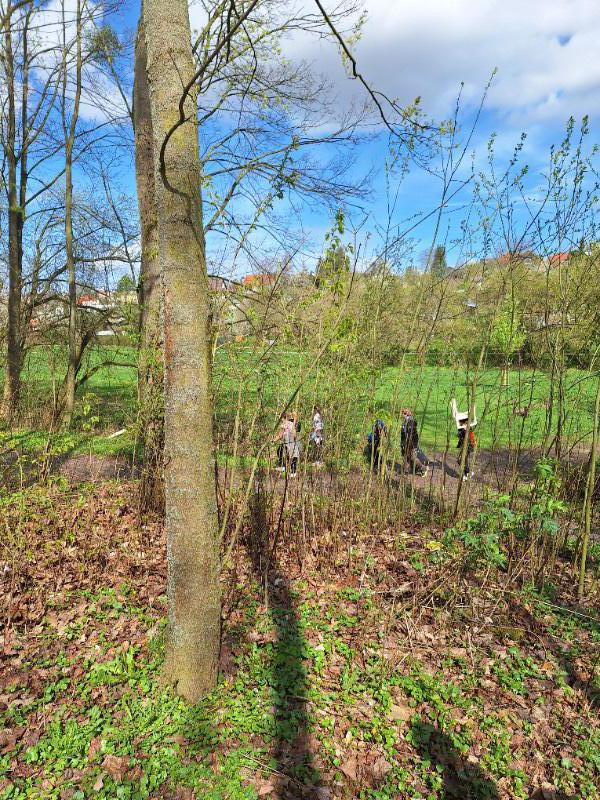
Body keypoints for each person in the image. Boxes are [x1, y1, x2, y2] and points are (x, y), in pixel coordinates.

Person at [400, 409, 427, 476]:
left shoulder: (411, 422)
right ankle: (405, 472)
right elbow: (403, 434)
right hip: (405, 443)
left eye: (402, 414)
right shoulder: (405, 422)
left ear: (405, 414)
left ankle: (423, 468)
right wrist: (402, 443)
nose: (401, 416)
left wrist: (413, 444)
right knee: (406, 456)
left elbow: (414, 435)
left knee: (412, 457)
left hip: (411, 443)